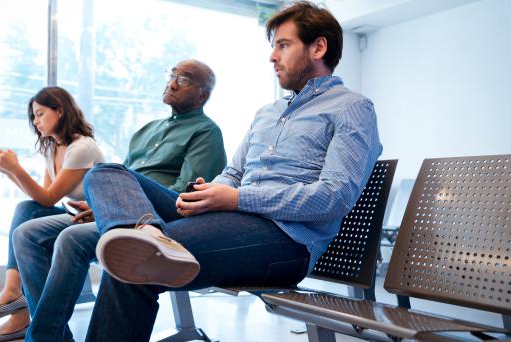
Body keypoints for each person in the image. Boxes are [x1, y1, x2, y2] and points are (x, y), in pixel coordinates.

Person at [82, 2, 383, 341]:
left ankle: (147, 244)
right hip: (232, 220)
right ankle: (148, 234)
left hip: (286, 241)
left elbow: (334, 198)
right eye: (273, 47)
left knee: (133, 265)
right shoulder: (267, 113)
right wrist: (209, 195)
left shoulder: (353, 108)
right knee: (105, 173)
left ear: (318, 47)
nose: (272, 56)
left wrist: (237, 199)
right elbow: (233, 174)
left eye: (283, 45)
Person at [12, 59, 227, 342]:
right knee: (26, 233)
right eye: (171, 74)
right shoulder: (146, 130)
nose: (172, 82)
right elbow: (121, 181)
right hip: (115, 211)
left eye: (184, 79)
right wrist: (99, 204)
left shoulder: (206, 133)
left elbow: (183, 198)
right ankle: (56, 337)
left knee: (71, 239)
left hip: (153, 220)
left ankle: (41, 338)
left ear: (202, 95)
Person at [0, 86, 105, 342]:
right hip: (73, 214)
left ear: (60, 111)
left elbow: (48, 198)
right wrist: (9, 172)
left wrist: (16, 169)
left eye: (40, 114)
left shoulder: (81, 148)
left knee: (28, 217)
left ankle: (16, 299)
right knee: (25, 208)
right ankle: (13, 293)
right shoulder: (50, 147)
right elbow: (42, 196)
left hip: (93, 216)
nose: (35, 122)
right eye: (33, 117)